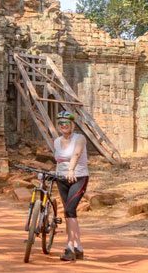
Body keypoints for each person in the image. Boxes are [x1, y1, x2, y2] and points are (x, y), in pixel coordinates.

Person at [54, 110, 89, 261]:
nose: (64, 125)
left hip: (78, 177)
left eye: (67, 123)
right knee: (68, 213)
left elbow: (76, 154)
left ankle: (70, 247)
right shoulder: (57, 141)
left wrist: (71, 169)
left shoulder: (79, 138)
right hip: (61, 178)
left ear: (73, 125)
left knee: (70, 210)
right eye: (61, 123)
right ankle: (78, 247)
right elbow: (58, 161)